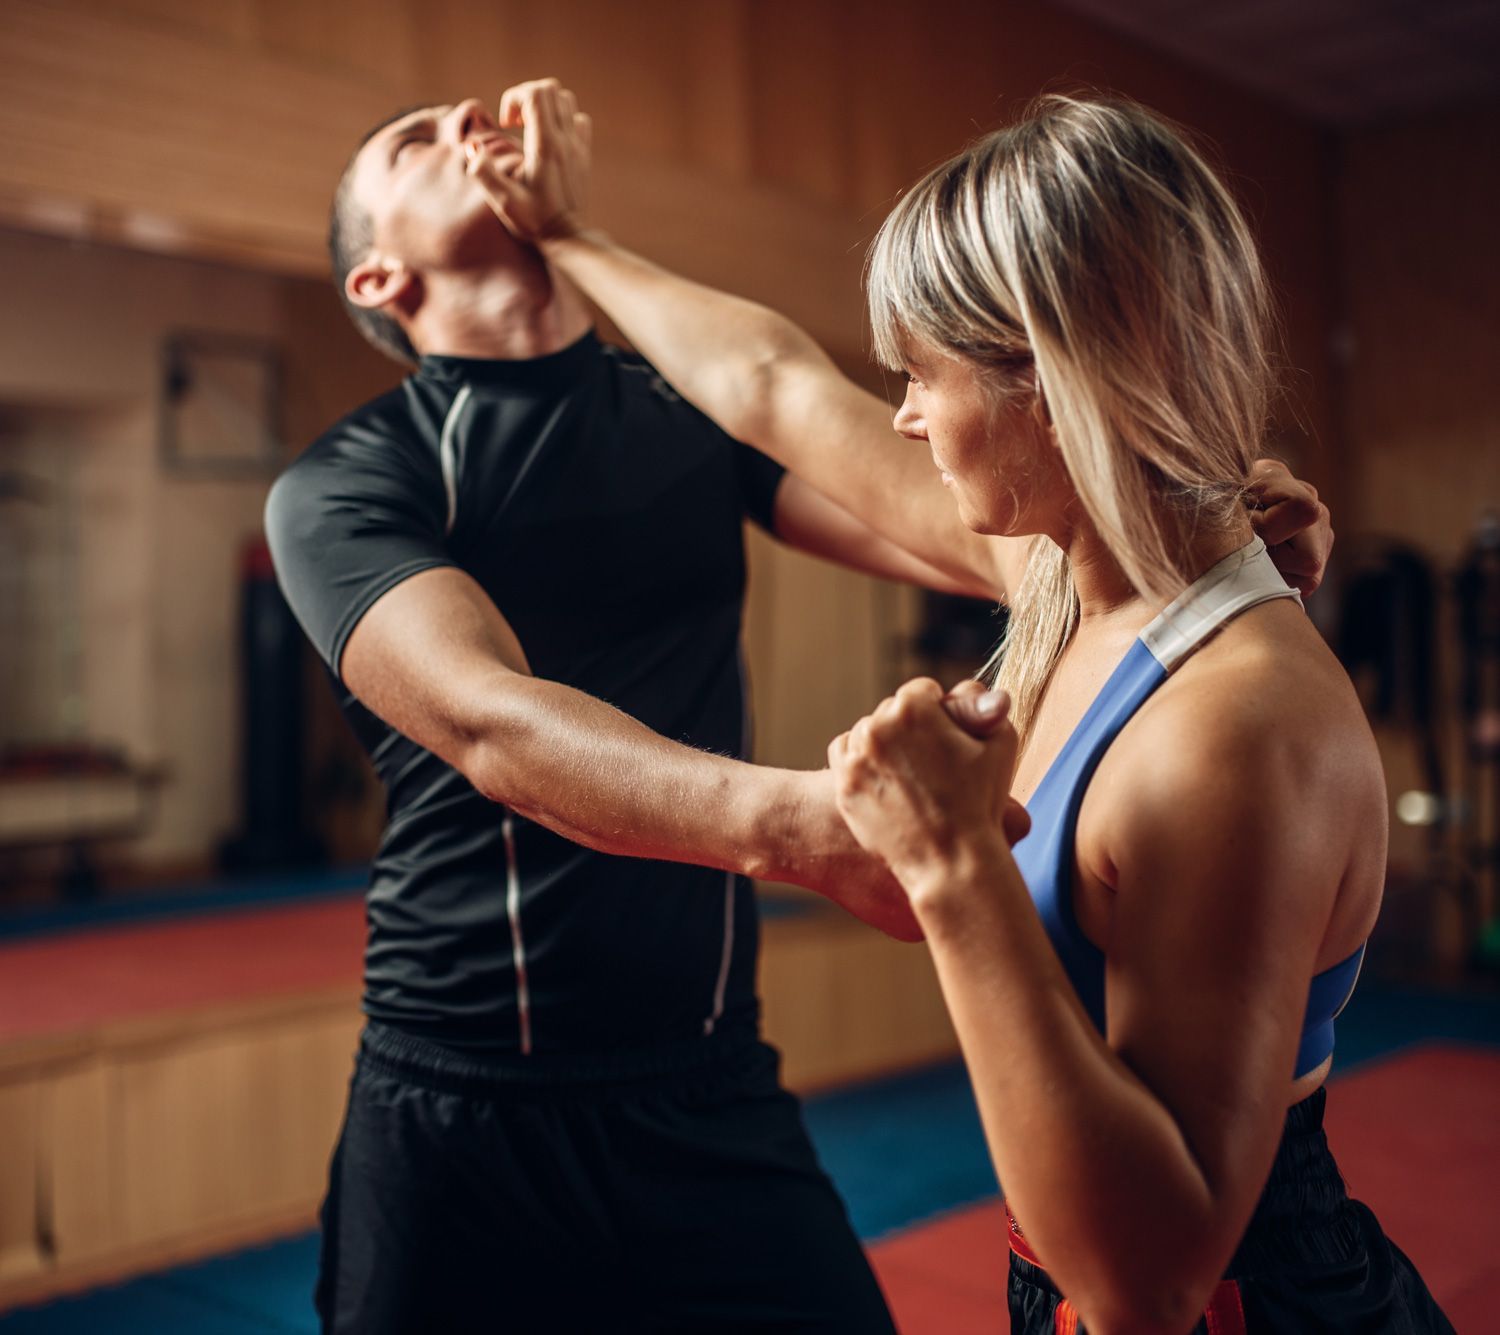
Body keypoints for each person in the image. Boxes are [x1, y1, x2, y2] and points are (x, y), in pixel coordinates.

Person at [268, 92, 1333, 1334]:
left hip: (705, 1071)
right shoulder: (348, 480)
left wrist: (1186, 516)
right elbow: (492, 723)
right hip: (460, 1086)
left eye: (468, 111)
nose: (465, 123)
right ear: (377, 277)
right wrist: (826, 828)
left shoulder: (681, 413)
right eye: (414, 142)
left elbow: (959, 513)